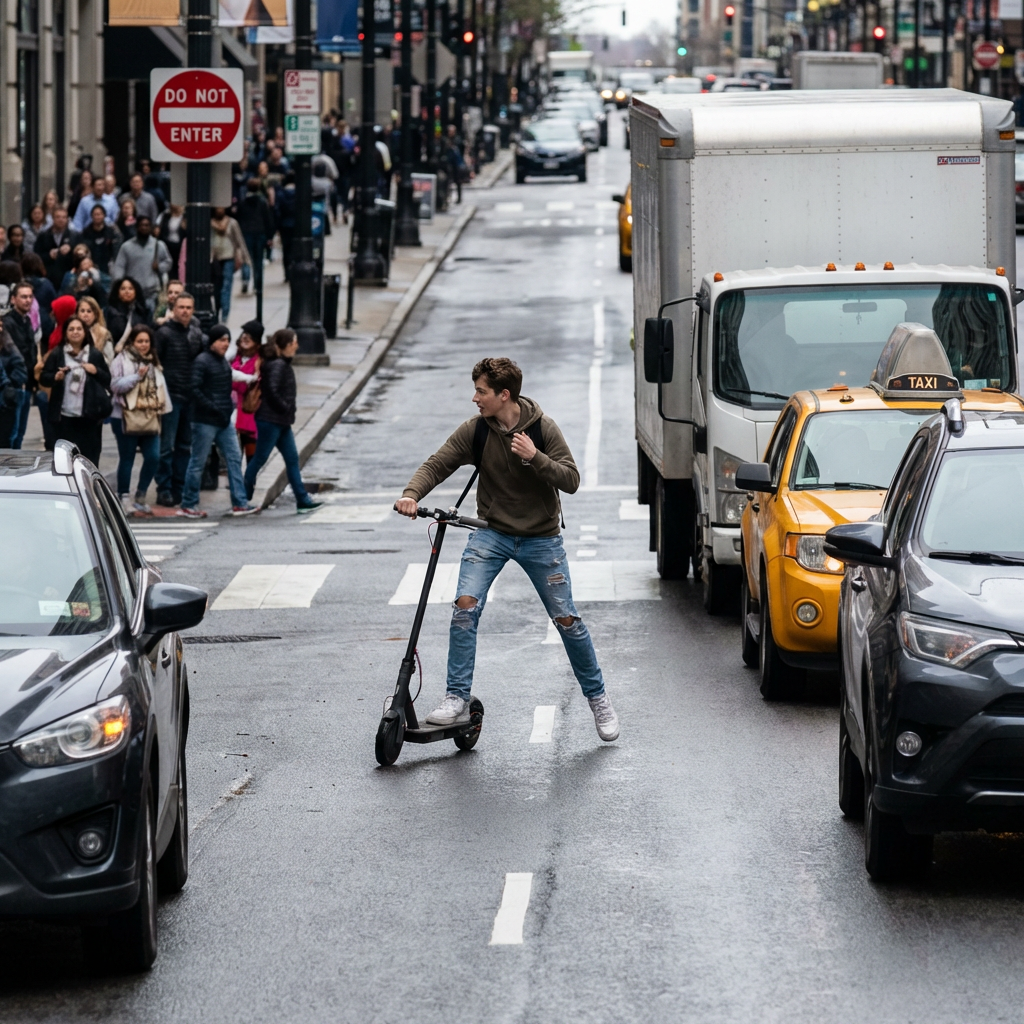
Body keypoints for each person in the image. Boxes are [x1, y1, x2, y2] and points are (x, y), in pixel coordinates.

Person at [394, 357, 620, 742]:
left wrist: (535, 457)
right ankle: (456, 698)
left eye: (480, 391)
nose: (474, 398)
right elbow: (438, 463)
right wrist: (411, 494)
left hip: (541, 538)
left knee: (567, 620)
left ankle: (598, 698)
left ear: (504, 395)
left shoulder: (543, 429)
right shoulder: (477, 431)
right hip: (492, 533)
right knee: (465, 607)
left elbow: (571, 480)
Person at [178, 325, 259, 518]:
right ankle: (188, 503)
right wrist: (214, 407)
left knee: (234, 458)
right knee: (198, 462)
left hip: (222, 419)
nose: (226, 344)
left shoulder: (221, 362)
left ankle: (239, 502)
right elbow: (194, 389)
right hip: (205, 420)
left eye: (227, 340)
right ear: (212, 341)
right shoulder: (202, 361)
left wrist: (226, 407)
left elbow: (229, 379)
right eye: (222, 340)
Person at [243, 329, 322, 513]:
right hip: (271, 420)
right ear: (286, 345)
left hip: (280, 421)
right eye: (294, 342)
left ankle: (302, 499)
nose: (297, 346)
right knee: (260, 458)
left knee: (292, 458)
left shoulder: (279, 363)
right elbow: (271, 390)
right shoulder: (278, 365)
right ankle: (241, 496)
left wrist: (284, 411)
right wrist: (284, 407)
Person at [110, 324, 169, 514]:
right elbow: (115, 385)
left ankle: (141, 495)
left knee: (153, 456)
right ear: (132, 342)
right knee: (127, 457)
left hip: (149, 415)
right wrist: (137, 377)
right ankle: (123, 496)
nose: (143, 345)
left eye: (146, 341)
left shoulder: (153, 360)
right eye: (139, 341)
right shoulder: (121, 360)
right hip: (124, 416)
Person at [38, 314, 111, 464]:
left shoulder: (94, 354)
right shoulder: (58, 353)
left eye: (79, 329)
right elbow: (44, 377)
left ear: (85, 332)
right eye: (71, 329)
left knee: (89, 460)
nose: (75, 332)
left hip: (89, 418)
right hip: (63, 417)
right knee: (64, 462)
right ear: (65, 333)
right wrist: (55, 377)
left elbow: (107, 379)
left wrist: (95, 371)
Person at [154, 291, 203, 506]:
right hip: (170, 396)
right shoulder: (164, 333)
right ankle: (164, 488)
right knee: (166, 446)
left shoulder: (196, 333)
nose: (185, 311)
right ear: (173, 309)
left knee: (184, 445)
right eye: (181, 307)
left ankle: (179, 487)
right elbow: (156, 362)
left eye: (188, 308)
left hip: (190, 397)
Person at [3, 282, 39, 447]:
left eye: (30, 297)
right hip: (14, 384)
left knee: (19, 433)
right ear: (13, 299)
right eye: (23, 297)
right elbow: (13, 355)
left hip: (26, 383)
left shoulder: (27, 321)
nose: (28, 300)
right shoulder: (7, 322)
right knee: (12, 433)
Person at [109, 217, 171, 313]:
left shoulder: (158, 245)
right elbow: (119, 267)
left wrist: (159, 267)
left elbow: (168, 262)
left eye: (147, 225)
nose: (144, 228)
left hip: (151, 292)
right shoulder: (126, 247)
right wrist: (119, 285)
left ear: (151, 227)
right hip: (132, 294)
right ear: (136, 227)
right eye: (141, 225)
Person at [235, 181, 274, 298]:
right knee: (258, 261)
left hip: (246, 232)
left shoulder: (243, 202)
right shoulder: (262, 202)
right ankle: (258, 285)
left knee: (246, 258)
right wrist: (270, 236)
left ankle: (245, 279)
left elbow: (239, 218)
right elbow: (267, 219)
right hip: (260, 232)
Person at [231, 320, 262, 463]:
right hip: (232, 414)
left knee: (251, 458)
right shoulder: (234, 358)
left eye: (250, 337)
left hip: (249, 417)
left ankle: (250, 478)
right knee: (233, 458)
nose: (245, 338)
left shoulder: (259, 362)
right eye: (244, 334)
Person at [210, 208, 248, 321]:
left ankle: (225, 313)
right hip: (215, 258)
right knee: (216, 287)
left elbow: (239, 240)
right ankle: (217, 310)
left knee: (226, 286)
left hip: (229, 257)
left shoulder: (232, 223)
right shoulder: (210, 223)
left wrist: (243, 257)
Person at [0, 317, 28, 446]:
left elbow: (21, 371)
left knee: (10, 437)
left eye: (1, 326)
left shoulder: (9, 348)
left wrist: (7, 384)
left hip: (6, 400)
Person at [34, 207, 79, 288]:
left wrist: (71, 248)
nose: (61, 220)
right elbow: (36, 255)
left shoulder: (74, 236)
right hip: (48, 276)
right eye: (58, 217)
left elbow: (80, 255)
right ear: (53, 218)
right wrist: (49, 256)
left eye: (63, 217)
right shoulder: (43, 236)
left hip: (67, 277)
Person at [80, 203, 122, 283]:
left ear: (104, 215)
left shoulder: (111, 231)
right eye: (95, 214)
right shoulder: (86, 233)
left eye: (99, 214)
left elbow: (116, 250)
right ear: (91, 216)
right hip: (91, 267)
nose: (97, 217)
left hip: (108, 267)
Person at [104, 277, 148, 351]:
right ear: (118, 292)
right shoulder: (111, 311)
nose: (127, 291)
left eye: (130, 289)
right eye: (123, 289)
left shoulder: (142, 311)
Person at [76, 296, 113, 363]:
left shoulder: (103, 334)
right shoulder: (73, 332)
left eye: (89, 311)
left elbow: (109, 360)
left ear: (95, 314)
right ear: (77, 314)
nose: (85, 314)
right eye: (82, 311)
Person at [155, 204, 185, 270]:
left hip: (179, 246)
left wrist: (185, 228)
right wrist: (157, 229)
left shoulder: (185, 217)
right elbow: (157, 226)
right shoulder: (165, 215)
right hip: (167, 244)